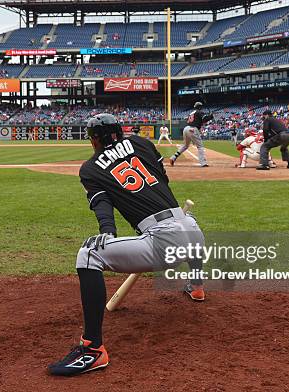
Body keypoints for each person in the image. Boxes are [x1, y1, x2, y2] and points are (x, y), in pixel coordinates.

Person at [48, 113, 206, 377]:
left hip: (162, 239)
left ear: (95, 139)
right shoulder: (141, 143)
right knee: (187, 224)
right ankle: (198, 287)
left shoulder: (90, 168)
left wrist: (107, 233)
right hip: (191, 229)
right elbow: (161, 178)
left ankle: (93, 349)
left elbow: (102, 205)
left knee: (87, 255)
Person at [169, 101, 212, 167]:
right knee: (200, 146)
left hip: (186, 128)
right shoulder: (199, 112)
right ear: (200, 107)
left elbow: (199, 120)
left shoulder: (192, 112)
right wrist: (210, 116)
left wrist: (208, 116)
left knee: (185, 145)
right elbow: (205, 119)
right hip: (193, 129)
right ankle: (203, 163)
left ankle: (173, 157)